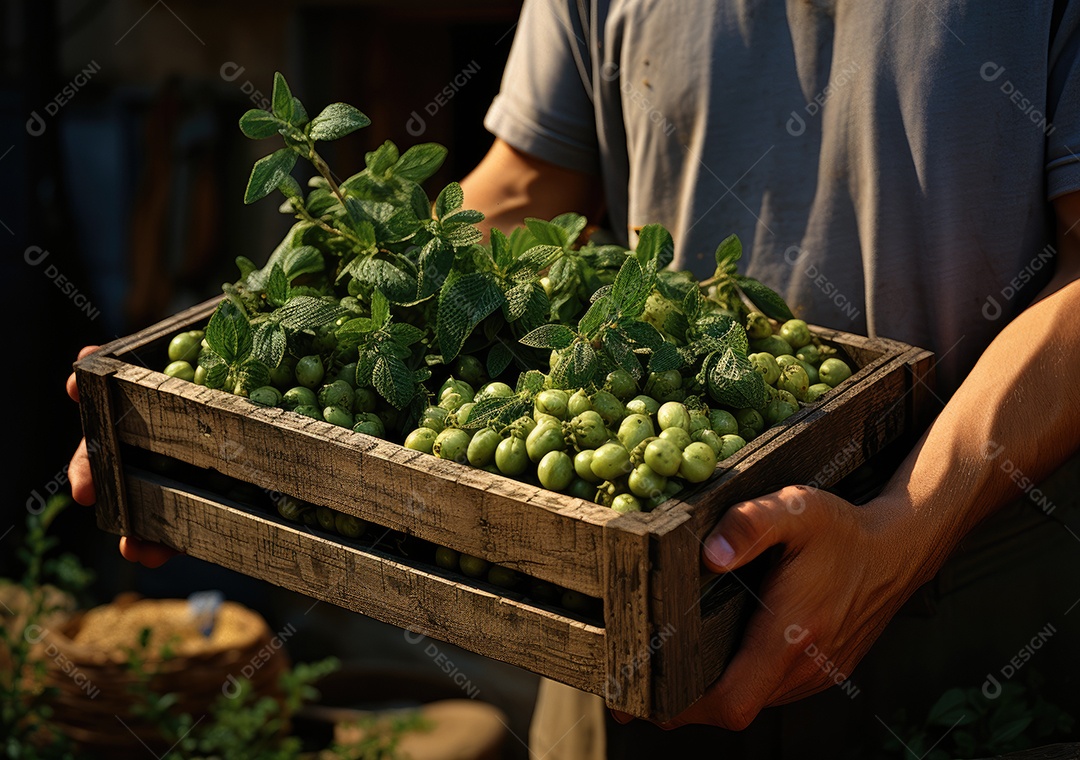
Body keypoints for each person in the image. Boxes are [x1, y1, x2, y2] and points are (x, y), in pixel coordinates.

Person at [70, 1, 1080, 756]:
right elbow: (526, 182)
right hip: (611, 624)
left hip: (946, 607)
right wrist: (230, 384)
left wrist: (897, 535)